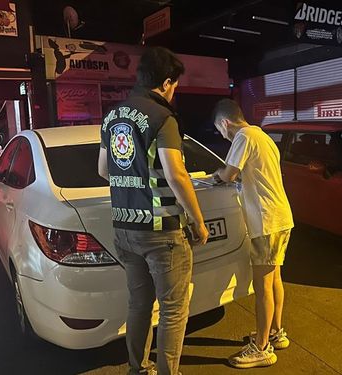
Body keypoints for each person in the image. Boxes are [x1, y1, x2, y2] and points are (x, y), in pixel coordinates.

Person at [97, 46, 209, 375]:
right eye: (175, 85)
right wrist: (198, 222)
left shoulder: (113, 116)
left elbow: (104, 169)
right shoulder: (163, 118)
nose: (174, 92)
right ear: (166, 82)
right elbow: (176, 174)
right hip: (162, 232)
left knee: (140, 305)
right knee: (174, 310)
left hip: (124, 229)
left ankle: (137, 369)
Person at [212, 99, 294, 369]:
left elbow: (230, 173)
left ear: (225, 122)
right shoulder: (262, 135)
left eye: (220, 130)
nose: (222, 135)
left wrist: (218, 175)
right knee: (275, 280)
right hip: (280, 218)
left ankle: (261, 348)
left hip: (267, 222)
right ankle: (275, 332)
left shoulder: (243, 136)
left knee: (262, 288)